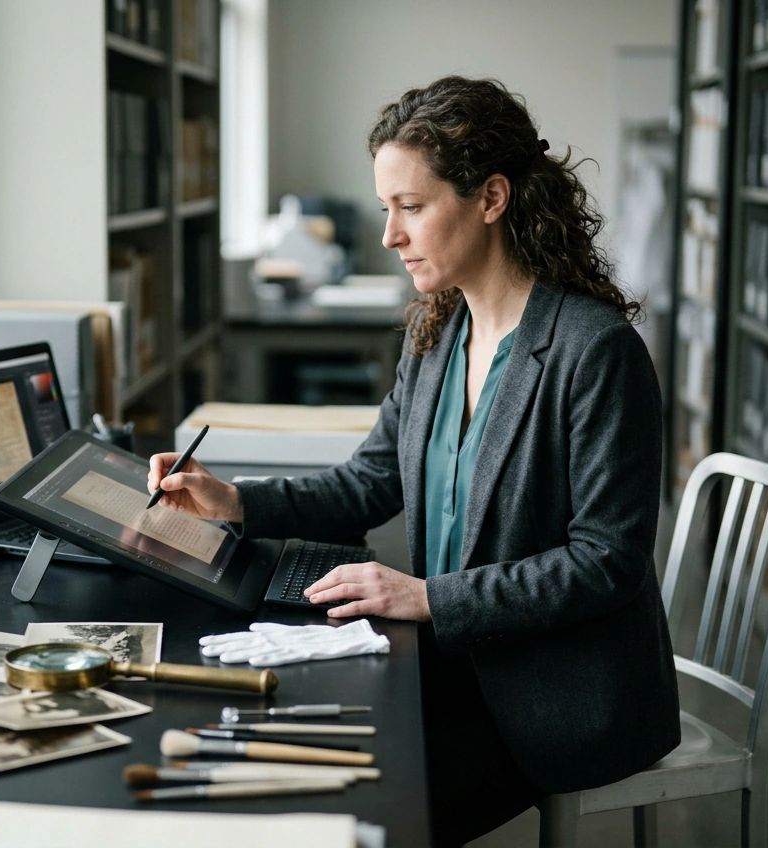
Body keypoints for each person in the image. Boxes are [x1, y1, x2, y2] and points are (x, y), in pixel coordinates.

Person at [147, 76, 680, 846]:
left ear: (491, 198)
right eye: (387, 208)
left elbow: (606, 563)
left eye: (413, 207)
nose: (391, 235)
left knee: (361, 816)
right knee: (279, 763)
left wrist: (431, 597)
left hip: (555, 696)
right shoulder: (438, 334)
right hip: (454, 665)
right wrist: (234, 501)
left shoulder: (595, 352)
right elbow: (370, 482)